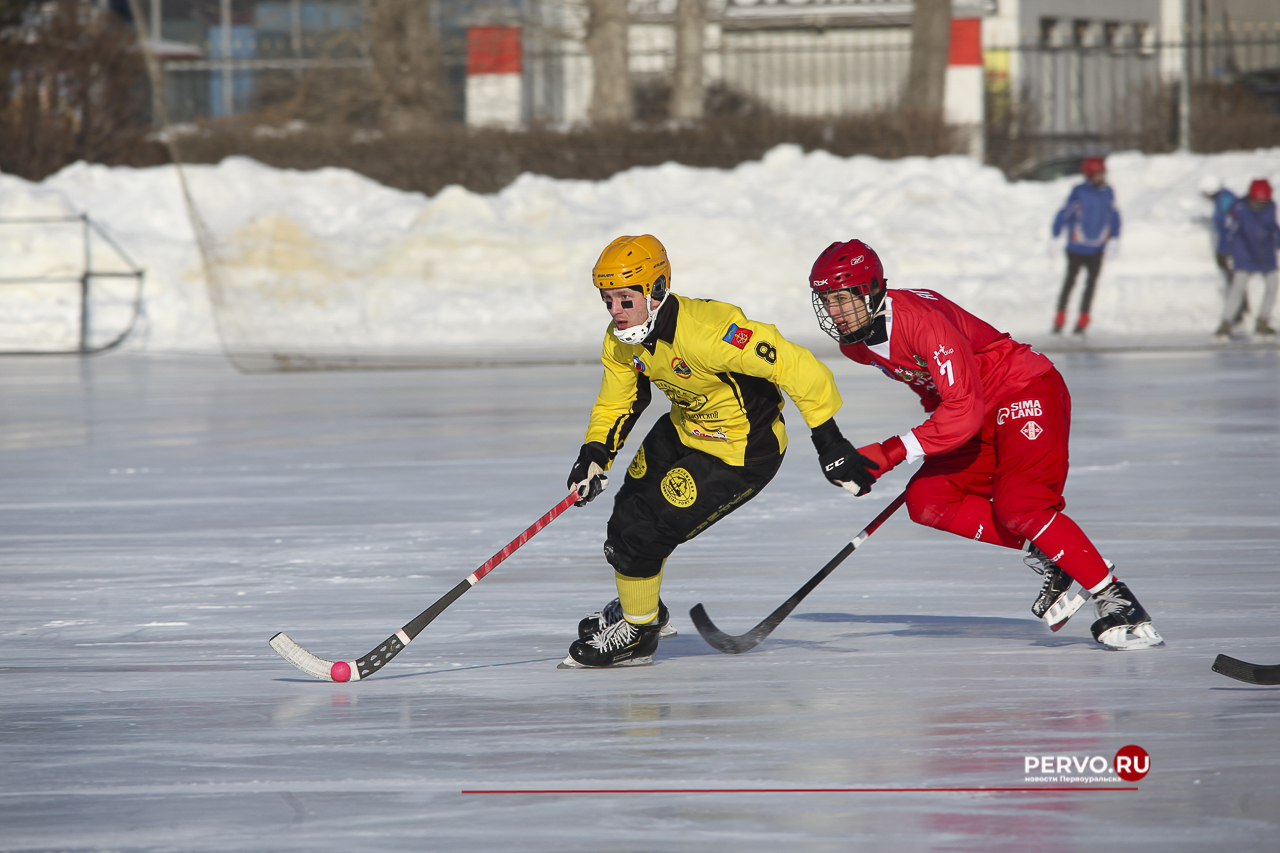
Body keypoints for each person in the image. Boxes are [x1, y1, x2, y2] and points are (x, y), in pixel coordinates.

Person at [805, 238, 1163, 651]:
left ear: (870, 290)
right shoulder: (855, 347)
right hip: (974, 411)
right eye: (825, 301)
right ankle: (1056, 556)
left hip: (1022, 390)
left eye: (841, 299)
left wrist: (890, 453)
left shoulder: (922, 323)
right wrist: (921, 445)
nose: (834, 311)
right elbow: (935, 391)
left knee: (1021, 505)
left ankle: (1120, 604)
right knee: (927, 499)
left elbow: (961, 409)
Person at [562, 234, 870, 668]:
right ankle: (646, 610)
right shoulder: (622, 339)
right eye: (607, 300)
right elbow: (620, 399)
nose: (615, 312)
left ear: (656, 290)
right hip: (683, 428)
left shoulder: (711, 332)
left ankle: (638, 634)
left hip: (740, 452)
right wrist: (595, 451)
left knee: (643, 533)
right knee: (625, 518)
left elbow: (798, 365)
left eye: (625, 300)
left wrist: (829, 439)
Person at [1050, 156, 1121, 336]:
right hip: (1076, 246)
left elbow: (1113, 214)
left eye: (1102, 173)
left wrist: (1115, 237)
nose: (1101, 177)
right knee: (1070, 283)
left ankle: (1083, 320)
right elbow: (1065, 213)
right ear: (1089, 175)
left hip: (1097, 246)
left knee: (1091, 285)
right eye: (1097, 174)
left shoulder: (1108, 192)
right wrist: (1055, 235)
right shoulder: (1079, 192)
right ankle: (1060, 318)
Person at [1215, 179, 1280, 339]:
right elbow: (1229, 231)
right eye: (1258, 201)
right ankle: (1226, 323)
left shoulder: (1270, 207)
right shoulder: (1239, 208)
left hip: (1265, 253)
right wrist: (1224, 250)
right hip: (1244, 253)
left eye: (1263, 201)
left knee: (1272, 284)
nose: (1260, 204)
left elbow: (1274, 228)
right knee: (1238, 287)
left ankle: (1263, 321)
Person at [1200, 175, 1249, 329]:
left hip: (1231, 248)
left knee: (1235, 280)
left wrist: (1225, 250)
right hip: (1230, 247)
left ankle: (1238, 312)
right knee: (1234, 279)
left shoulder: (1225, 200)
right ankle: (1240, 310)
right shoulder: (1224, 199)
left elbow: (1231, 226)